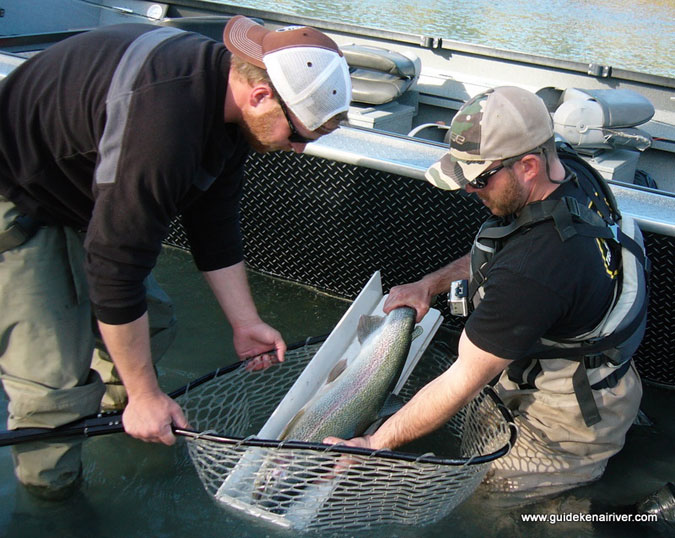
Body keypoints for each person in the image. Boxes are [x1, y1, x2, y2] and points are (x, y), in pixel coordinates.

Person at [0, 15, 351, 499]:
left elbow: (214, 220)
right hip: (17, 198)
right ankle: (52, 497)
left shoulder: (229, 105)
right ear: (261, 95)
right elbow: (116, 268)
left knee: (156, 322)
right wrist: (145, 393)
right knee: (52, 384)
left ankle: (118, 412)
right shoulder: (163, 124)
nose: (298, 149)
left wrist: (244, 321)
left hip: (82, 191)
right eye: (299, 134)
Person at [325, 86, 648, 498]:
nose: (467, 190)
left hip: (566, 421)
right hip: (579, 363)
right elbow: (502, 250)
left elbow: (462, 380)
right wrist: (429, 285)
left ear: (528, 165)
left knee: (496, 501)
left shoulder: (538, 270)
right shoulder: (567, 171)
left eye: (478, 178)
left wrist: (375, 443)